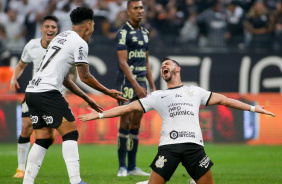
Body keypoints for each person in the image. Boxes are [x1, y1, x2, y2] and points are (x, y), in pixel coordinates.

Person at [78, 57, 275, 184]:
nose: (164, 66)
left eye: (168, 64)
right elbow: (128, 107)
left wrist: (253, 108)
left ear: (178, 69)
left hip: (194, 148)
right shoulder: (158, 96)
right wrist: (100, 114)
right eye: (162, 65)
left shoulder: (195, 91)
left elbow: (224, 100)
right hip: (169, 147)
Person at [23, 7, 127, 184]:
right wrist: (107, 91)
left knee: (44, 138)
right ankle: (76, 181)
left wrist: (87, 98)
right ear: (89, 24)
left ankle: (27, 181)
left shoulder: (61, 37)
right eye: (93, 24)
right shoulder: (79, 42)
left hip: (32, 91)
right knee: (70, 133)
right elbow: (85, 76)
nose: (93, 28)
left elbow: (65, 79)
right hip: (47, 92)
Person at [9, 15, 59, 178]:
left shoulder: (61, 47)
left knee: (48, 136)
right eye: (47, 26)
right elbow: (22, 64)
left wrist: (65, 92)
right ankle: (21, 168)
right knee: (26, 126)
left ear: (57, 30)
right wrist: (14, 77)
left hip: (53, 95)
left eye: (53, 27)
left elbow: (70, 73)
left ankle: (34, 164)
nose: (50, 30)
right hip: (34, 92)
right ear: (41, 28)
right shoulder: (32, 45)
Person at [115, 0, 156, 177]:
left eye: (141, 8)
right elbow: (123, 62)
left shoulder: (145, 33)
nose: (140, 11)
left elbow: (146, 62)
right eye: (136, 8)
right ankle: (122, 167)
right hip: (126, 83)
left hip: (142, 83)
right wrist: (136, 86)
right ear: (128, 12)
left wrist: (152, 86)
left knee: (136, 123)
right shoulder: (123, 32)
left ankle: (132, 167)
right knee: (125, 122)